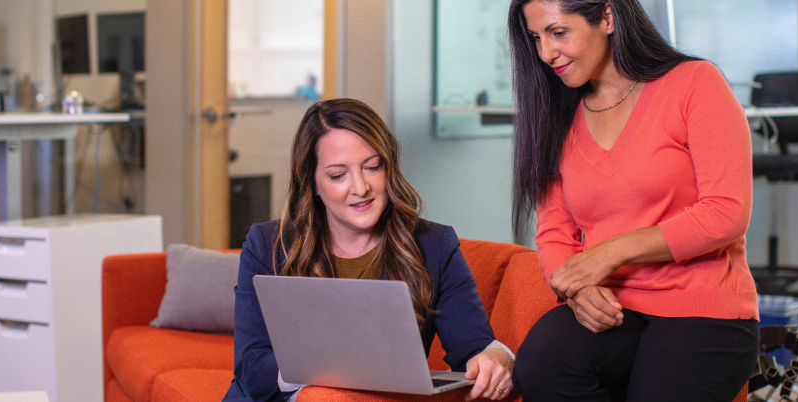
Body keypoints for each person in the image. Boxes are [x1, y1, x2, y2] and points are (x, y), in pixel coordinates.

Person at [506, 1, 759, 401]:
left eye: (558, 33)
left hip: (701, 307)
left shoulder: (694, 83)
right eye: (536, 38)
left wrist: (610, 253)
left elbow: (726, 212)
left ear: (607, 17)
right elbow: (554, 233)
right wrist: (577, 291)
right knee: (541, 364)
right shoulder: (556, 113)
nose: (545, 53)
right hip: (614, 307)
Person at [224, 98, 514, 402]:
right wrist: (329, 376)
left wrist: (495, 358)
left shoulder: (435, 245)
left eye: (372, 167)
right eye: (338, 175)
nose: (360, 188)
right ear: (312, 183)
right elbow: (252, 370)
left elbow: (473, 348)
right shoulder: (268, 244)